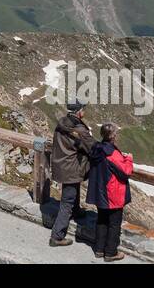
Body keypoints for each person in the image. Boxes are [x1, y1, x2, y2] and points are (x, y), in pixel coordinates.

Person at [49, 100, 94, 247]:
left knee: (72, 192)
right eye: (84, 109)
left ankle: (76, 211)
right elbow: (92, 147)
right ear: (79, 111)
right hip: (71, 168)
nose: (85, 112)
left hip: (61, 165)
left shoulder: (63, 123)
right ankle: (57, 236)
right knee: (67, 202)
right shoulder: (79, 129)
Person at [87, 123, 134, 261]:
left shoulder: (97, 148)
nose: (117, 135)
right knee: (114, 224)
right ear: (113, 136)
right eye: (116, 133)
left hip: (100, 192)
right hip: (112, 193)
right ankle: (111, 253)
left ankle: (99, 249)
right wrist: (129, 158)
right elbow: (126, 171)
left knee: (102, 220)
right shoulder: (111, 153)